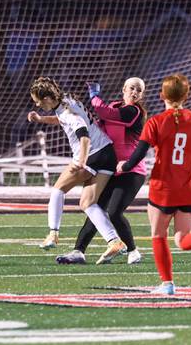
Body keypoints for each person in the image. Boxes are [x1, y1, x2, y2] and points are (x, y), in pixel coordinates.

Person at [117, 74, 191, 296]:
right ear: (186, 95)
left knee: (159, 235)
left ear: (161, 95)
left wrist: (124, 167)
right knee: (183, 238)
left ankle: (167, 284)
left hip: (164, 186)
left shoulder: (156, 121)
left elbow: (139, 153)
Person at [27, 76, 126, 265]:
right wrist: (40, 119)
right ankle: (114, 241)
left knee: (58, 189)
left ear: (47, 98)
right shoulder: (67, 100)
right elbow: (62, 120)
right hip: (107, 153)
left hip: (92, 154)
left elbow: (84, 136)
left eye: (38, 101)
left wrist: (81, 161)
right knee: (87, 203)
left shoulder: (68, 112)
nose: (37, 104)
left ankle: (53, 234)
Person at [56, 77, 147, 265]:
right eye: (132, 88)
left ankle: (133, 251)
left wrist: (94, 97)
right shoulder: (114, 106)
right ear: (123, 89)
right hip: (113, 168)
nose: (135, 92)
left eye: (139, 90)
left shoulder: (134, 112)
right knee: (93, 207)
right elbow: (98, 123)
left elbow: (105, 113)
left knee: (114, 212)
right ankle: (78, 251)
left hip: (131, 171)